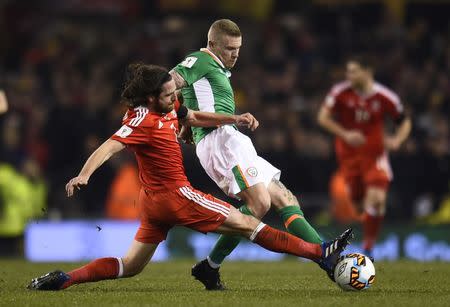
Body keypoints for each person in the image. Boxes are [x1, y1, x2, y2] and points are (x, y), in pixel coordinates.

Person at [27, 64, 352, 291]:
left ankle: (66, 279)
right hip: (176, 196)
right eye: (168, 95)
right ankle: (319, 253)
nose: (174, 98)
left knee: (130, 265)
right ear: (152, 98)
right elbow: (110, 146)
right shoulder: (141, 119)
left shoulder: (168, 105)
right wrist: (83, 174)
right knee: (252, 223)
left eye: (174, 92)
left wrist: (234, 117)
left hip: (154, 204)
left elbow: (192, 116)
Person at [170, 19, 324, 290]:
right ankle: (211, 259)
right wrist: (183, 118)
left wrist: (185, 122)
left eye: (238, 49)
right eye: (229, 48)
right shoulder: (201, 59)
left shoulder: (217, 69)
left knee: (284, 197)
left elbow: (186, 96)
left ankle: (327, 255)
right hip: (220, 140)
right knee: (259, 204)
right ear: (212, 44)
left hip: (230, 138)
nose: (235, 54)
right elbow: (170, 82)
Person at [318, 56, 411, 257]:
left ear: (368, 72)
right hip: (349, 158)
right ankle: (367, 231)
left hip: (375, 156)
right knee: (360, 206)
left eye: (353, 71)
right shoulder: (340, 92)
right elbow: (322, 117)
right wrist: (345, 134)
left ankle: (368, 248)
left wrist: (397, 140)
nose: (348, 75)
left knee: (376, 199)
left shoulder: (385, 97)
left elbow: (404, 121)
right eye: (348, 71)